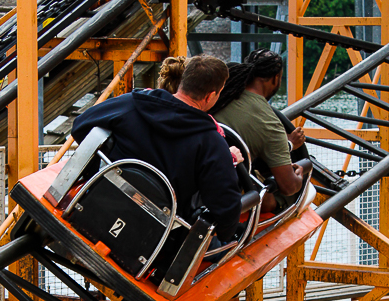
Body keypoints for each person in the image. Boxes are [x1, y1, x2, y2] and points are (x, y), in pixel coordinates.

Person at [71, 55, 243, 242]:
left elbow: (79, 127)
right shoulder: (211, 142)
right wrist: (226, 235)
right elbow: (226, 207)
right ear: (210, 96)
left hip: (95, 208)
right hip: (151, 241)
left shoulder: (132, 104)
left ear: (183, 82)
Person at [213, 49, 306, 215]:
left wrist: (287, 143)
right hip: (229, 191)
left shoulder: (220, 95)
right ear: (276, 78)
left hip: (204, 174)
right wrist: (299, 176)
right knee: (289, 197)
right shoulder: (270, 123)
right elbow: (288, 186)